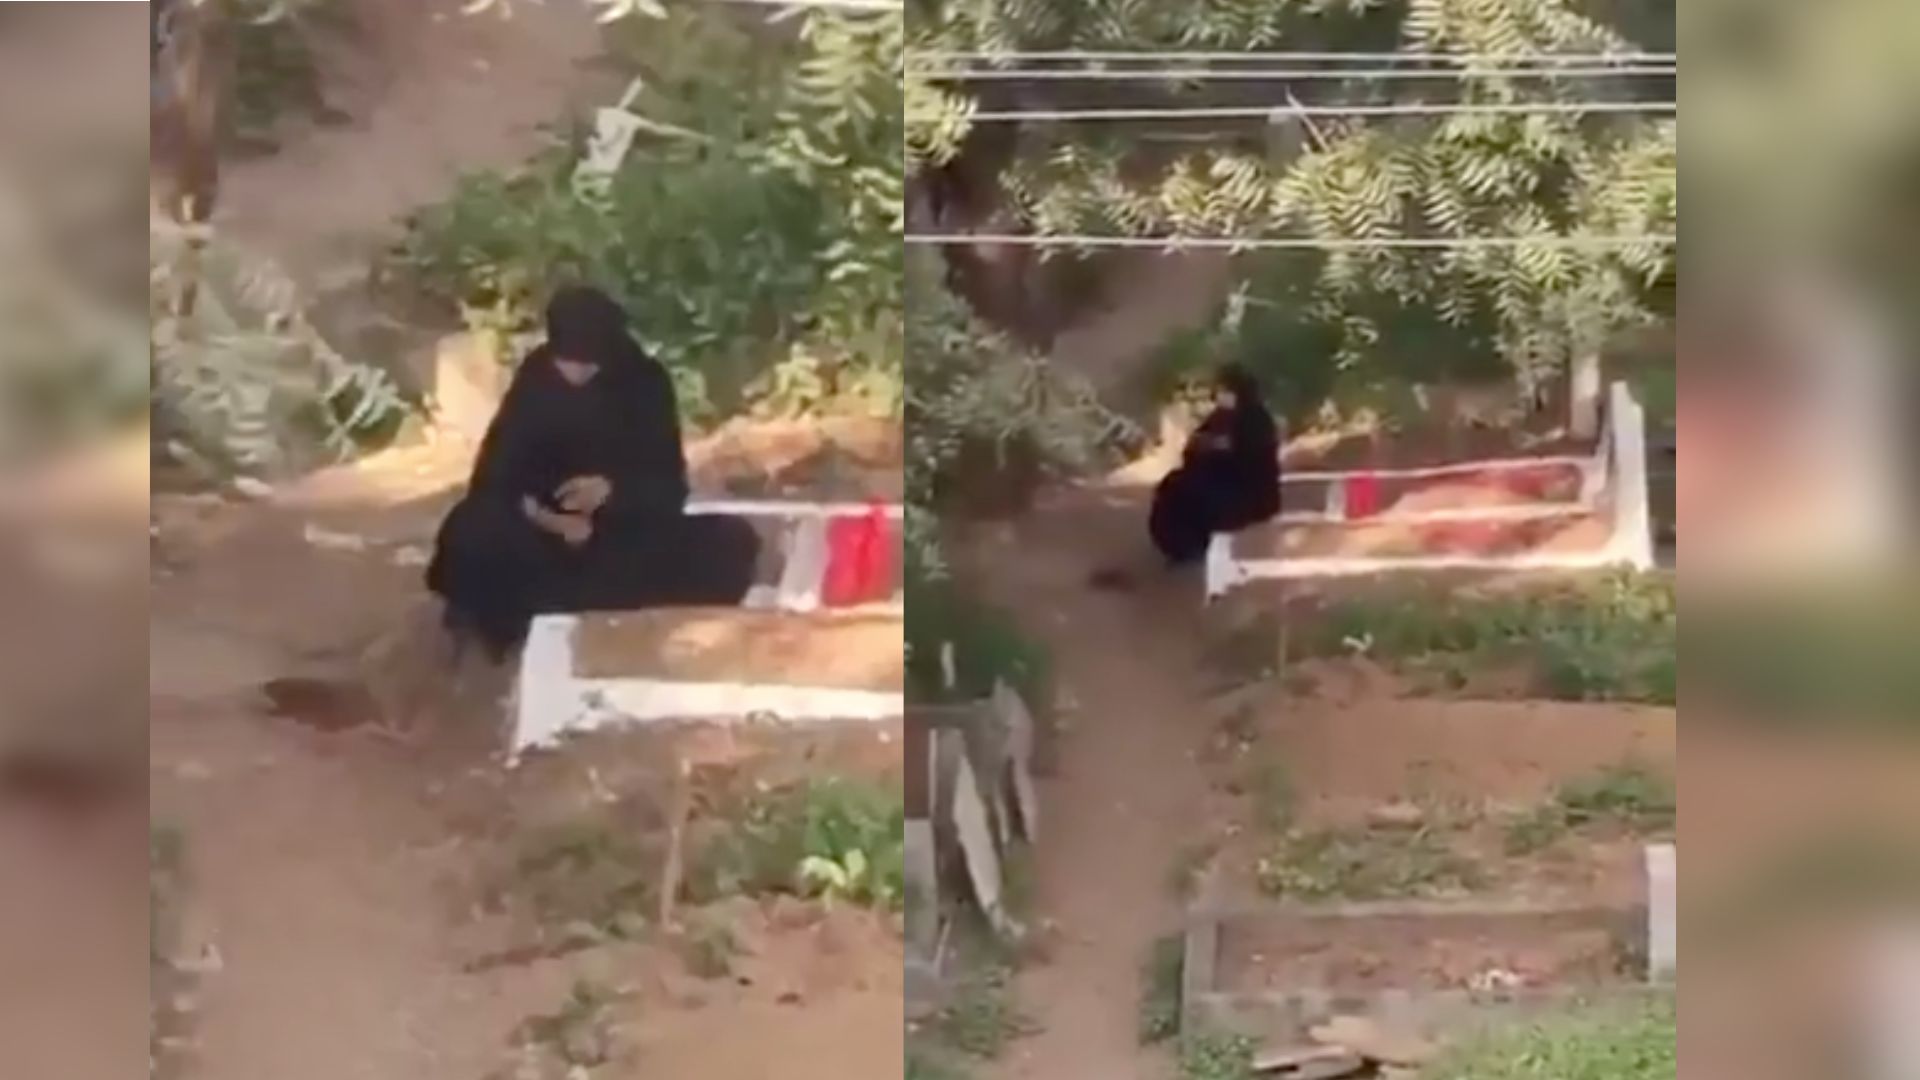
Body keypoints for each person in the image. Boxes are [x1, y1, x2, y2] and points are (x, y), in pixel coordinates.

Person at [426, 285, 761, 660]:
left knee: (729, 542)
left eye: (588, 362)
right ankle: (511, 621)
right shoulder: (537, 380)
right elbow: (495, 476)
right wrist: (551, 520)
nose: (576, 372)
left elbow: (668, 487)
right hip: (540, 535)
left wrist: (612, 493)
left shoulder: (645, 384)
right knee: (471, 529)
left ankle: (557, 608)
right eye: (567, 361)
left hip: (616, 538)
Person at [1147, 364, 1283, 566]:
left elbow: (1249, 455)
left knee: (1192, 494)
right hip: (1219, 479)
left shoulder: (1257, 418)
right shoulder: (1220, 416)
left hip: (1248, 493)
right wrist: (1204, 445)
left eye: (1224, 389)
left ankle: (1192, 546)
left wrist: (1217, 447)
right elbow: (1196, 444)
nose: (1219, 395)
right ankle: (1182, 547)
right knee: (1173, 487)